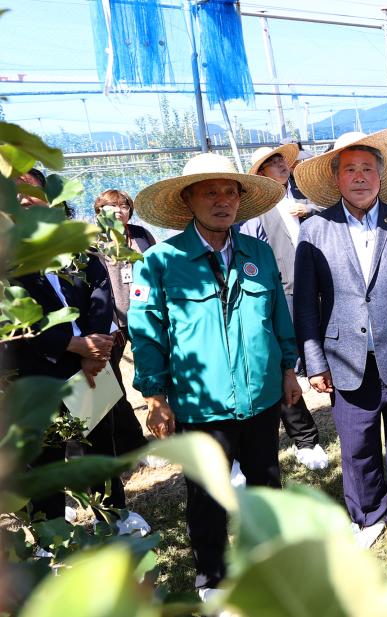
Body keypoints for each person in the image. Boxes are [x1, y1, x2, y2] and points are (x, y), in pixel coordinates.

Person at [127, 152, 302, 602]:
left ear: (240, 200)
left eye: (230, 191)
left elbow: (278, 316)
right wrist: (155, 396)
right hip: (200, 403)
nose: (222, 201)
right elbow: (146, 332)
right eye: (210, 192)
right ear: (188, 200)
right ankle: (214, 579)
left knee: (266, 485)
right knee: (207, 496)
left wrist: (288, 368)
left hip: (260, 395)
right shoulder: (160, 262)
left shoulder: (257, 253)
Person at [292, 130, 387, 549]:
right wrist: (314, 361)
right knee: (356, 445)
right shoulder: (315, 229)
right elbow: (305, 304)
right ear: (336, 178)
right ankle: (368, 514)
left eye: (368, 169)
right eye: (350, 170)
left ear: (380, 176)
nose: (360, 177)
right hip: (345, 356)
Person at [6, 172, 150, 535]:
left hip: (91, 362)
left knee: (100, 440)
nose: (22, 197)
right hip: (37, 368)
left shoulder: (75, 244)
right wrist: (70, 344)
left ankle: (114, 515)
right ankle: (51, 533)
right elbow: (12, 317)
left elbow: (100, 289)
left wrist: (94, 346)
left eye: (30, 188)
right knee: (45, 454)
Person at [239, 143, 329, 472]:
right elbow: (254, 254)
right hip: (283, 292)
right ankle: (305, 438)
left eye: (282, 160)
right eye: (272, 162)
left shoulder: (300, 197)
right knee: (282, 361)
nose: (281, 165)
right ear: (261, 173)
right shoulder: (254, 211)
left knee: (325, 347)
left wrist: (310, 210)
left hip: (316, 285)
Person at [92, 189, 157, 461]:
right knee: (113, 384)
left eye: (124, 206)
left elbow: (156, 269)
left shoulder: (140, 235)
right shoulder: (92, 242)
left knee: (156, 373)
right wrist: (107, 325)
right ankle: (132, 446)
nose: (119, 211)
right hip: (111, 324)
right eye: (112, 206)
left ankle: (172, 429)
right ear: (99, 212)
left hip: (145, 316)